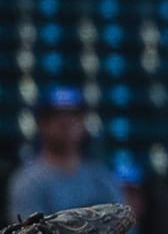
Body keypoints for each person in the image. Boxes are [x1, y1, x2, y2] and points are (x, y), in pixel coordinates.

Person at [7, 86, 123, 221]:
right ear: (42, 124)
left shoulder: (101, 177)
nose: (66, 123)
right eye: (56, 116)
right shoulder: (29, 181)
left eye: (74, 115)